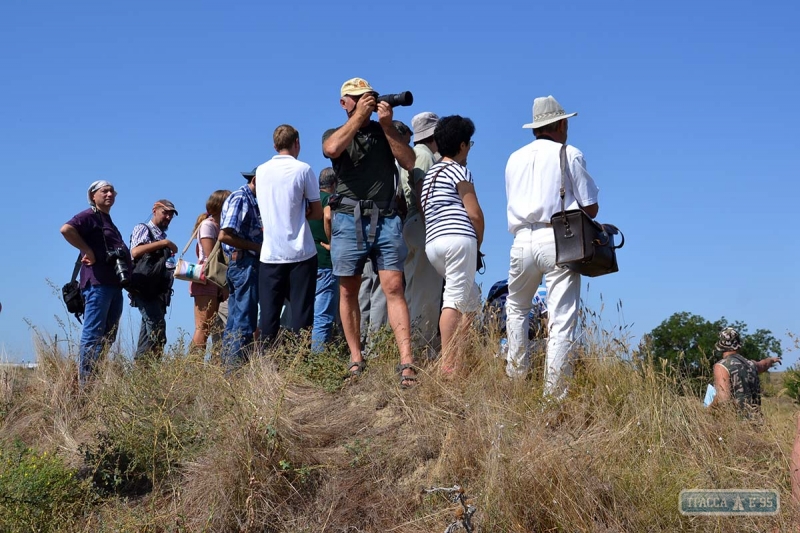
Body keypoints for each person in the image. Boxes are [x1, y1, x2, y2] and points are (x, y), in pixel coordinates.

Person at [321, 77, 417, 386]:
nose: (365, 101)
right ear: (344, 103)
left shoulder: (383, 132)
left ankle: (407, 362)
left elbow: (409, 161)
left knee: (394, 287)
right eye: (358, 98)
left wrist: (387, 126)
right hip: (348, 218)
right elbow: (332, 148)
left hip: (385, 217)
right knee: (349, 289)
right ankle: (355, 358)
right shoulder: (336, 133)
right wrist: (360, 117)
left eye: (368, 97)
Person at [504, 95, 600, 399]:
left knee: (516, 309)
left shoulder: (513, 158)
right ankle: (554, 395)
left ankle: (515, 379)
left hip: (520, 240)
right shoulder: (568, 153)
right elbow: (591, 207)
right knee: (561, 318)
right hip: (558, 238)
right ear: (559, 123)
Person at [420, 115, 484, 375]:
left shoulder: (430, 175)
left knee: (471, 299)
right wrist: (477, 243)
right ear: (461, 146)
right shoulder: (459, 170)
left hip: (434, 242)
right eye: (469, 144)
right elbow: (475, 214)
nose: (469, 149)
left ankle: (460, 355)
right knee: (454, 301)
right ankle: (449, 368)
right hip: (458, 239)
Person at [255, 125, 322, 345]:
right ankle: (300, 362)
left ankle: (265, 363)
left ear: (274, 146)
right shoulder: (303, 169)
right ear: (297, 143)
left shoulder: (261, 171)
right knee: (302, 314)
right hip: (301, 251)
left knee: (269, 316)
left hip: (270, 253)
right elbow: (317, 211)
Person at [60, 180, 132, 385]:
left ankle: (96, 377)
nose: (110, 194)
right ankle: (86, 385)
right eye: (104, 191)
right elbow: (66, 229)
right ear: (93, 195)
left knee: (108, 335)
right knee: (93, 334)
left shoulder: (106, 220)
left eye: (112, 191)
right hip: (98, 284)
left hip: (113, 285)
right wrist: (87, 250)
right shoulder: (89, 215)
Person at [357, 121, 410, 356]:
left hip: (361, 226)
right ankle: (373, 349)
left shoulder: (368, 160)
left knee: (365, 287)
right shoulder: (393, 166)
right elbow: (399, 198)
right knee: (382, 289)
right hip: (383, 227)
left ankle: (359, 345)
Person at [403, 112, 444, 356]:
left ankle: (416, 346)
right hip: (423, 224)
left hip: (411, 223)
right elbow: (422, 192)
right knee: (426, 293)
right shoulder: (425, 156)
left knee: (415, 290)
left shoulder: (415, 153)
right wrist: (433, 226)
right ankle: (422, 350)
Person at [219, 168, 263, 367]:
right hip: (244, 264)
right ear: (255, 180)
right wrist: (256, 247)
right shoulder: (241, 198)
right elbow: (225, 235)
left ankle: (228, 370)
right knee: (244, 321)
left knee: (235, 322)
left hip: (242, 264)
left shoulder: (249, 199)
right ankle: (235, 371)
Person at [130, 199, 179, 361]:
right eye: (165, 212)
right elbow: (135, 252)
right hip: (144, 288)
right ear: (154, 210)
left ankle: (142, 373)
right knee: (158, 331)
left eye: (171, 214)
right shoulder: (143, 228)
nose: (168, 217)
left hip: (158, 291)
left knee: (147, 335)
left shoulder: (162, 236)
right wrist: (164, 243)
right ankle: (151, 372)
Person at [189, 190, 231, 358]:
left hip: (213, 279)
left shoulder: (216, 225)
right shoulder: (208, 225)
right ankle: (191, 369)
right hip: (207, 279)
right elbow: (210, 256)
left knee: (210, 326)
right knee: (203, 326)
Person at [710, 327, 780, 416]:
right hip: (757, 422)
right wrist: (772, 360)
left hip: (737, 424)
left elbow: (723, 398)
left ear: (720, 345)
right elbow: (763, 365)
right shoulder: (751, 364)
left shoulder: (721, 366)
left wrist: (709, 409)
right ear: (739, 344)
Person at [310, 167, 338, 352]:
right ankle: (317, 361)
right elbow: (328, 216)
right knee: (323, 317)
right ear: (335, 184)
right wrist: (332, 243)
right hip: (326, 263)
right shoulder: (330, 200)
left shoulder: (310, 202)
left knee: (310, 315)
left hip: (308, 262)